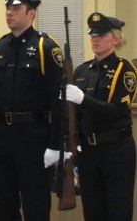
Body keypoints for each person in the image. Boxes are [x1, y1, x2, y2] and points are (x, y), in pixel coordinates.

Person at [0, 0, 71, 221]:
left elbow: (59, 100)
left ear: (31, 13)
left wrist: (56, 144)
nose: (9, 12)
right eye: (7, 7)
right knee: (5, 204)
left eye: (16, 7)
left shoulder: (46, 48)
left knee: (35, 204)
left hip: (34, 136)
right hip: (3, 135)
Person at [66, 12, 136, 221]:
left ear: (116, 39)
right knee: (93, 211)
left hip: (116, 150)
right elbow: (73, 114)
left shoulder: (125, 70)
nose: (95, 38)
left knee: (118, 211)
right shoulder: (81, 71)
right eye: (92, 34)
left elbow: (116, 111)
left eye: (101, 34)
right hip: (88, 151)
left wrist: (83, 99)